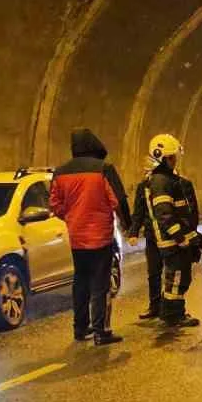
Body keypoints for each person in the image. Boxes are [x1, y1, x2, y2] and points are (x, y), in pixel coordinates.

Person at [49, 128, 132, 345]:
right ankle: (101, 331)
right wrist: (128, 226)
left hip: (77, 237)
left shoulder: (60, 172)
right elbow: (118, 200)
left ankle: (80, 328)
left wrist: (71, 217)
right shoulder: (104, 169)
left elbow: (55, 204)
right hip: (100, 236)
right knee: (101, 285)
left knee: (81, 282)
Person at [137, 133, 202, 327]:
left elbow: (179, 213)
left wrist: (194, 238)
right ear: (163, 158)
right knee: (177, 278)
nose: (175, 160)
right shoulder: (162, 181)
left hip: (174, 239)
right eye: (172, 157)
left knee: (177, 277)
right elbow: (165, 214)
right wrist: (179, 237)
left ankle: (171, 313)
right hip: (171, 241)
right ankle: (173, 316)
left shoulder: (165, 179)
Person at [128, 151, 167, 320]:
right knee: (153, 272)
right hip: (152, 236)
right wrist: (134, 232)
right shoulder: (143, 187)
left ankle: (172, 307)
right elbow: (139, 211)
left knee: (172, 272)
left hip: (168, 235)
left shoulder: (171, 183)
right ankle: (155, 306)